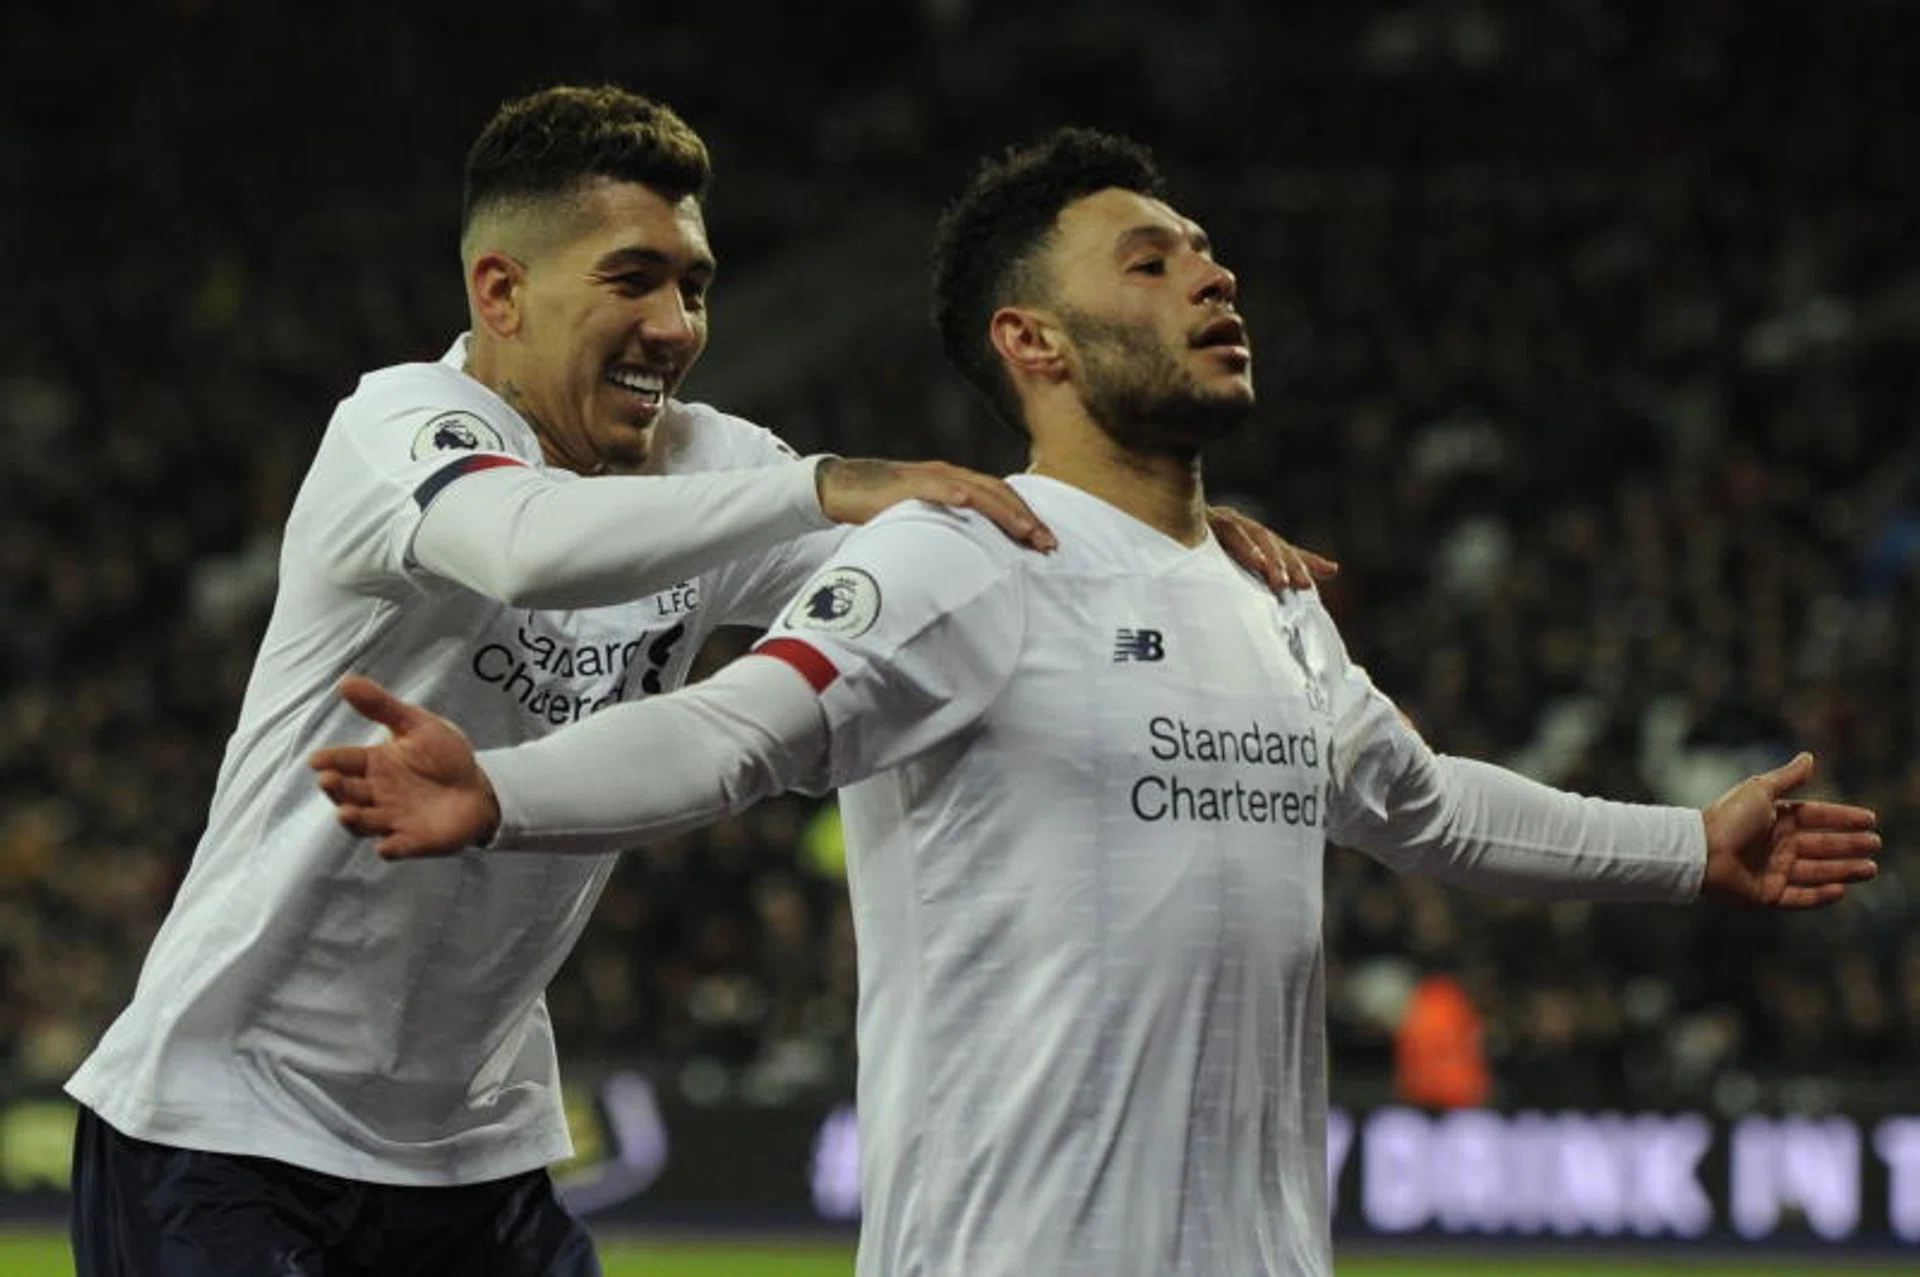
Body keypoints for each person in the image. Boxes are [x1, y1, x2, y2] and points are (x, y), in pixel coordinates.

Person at [310, 128, 1881, 1277]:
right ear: (1032, 341)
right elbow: (741, 730)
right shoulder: (956, 554)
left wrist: (1691, 844)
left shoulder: (1270, 599)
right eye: (1154, 259)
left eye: (1208, 253)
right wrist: (505, 792)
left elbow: (1424, 802)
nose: (1213, 274)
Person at [56, 83, 1311, 1277]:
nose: (678, 325)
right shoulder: (399, 426)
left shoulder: (707, 460)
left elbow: (965, 586)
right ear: (501, 290)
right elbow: (523, 545)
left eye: (696, 284)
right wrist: (819, 479)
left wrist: (1164, 541)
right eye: (634, 279)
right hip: (223, 1118)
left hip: (467, 1143)